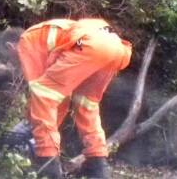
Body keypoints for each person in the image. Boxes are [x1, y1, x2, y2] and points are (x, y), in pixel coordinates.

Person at [15, 18, 132, 178]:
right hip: (116, 49)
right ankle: (98, 166)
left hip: (91, 44)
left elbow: (45, 96)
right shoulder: (54, 33)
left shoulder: (27, 41)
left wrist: (31, 126)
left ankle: (49, 167)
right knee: (86, 105)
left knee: (43, 94)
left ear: (10, 47)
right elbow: (59, 98)